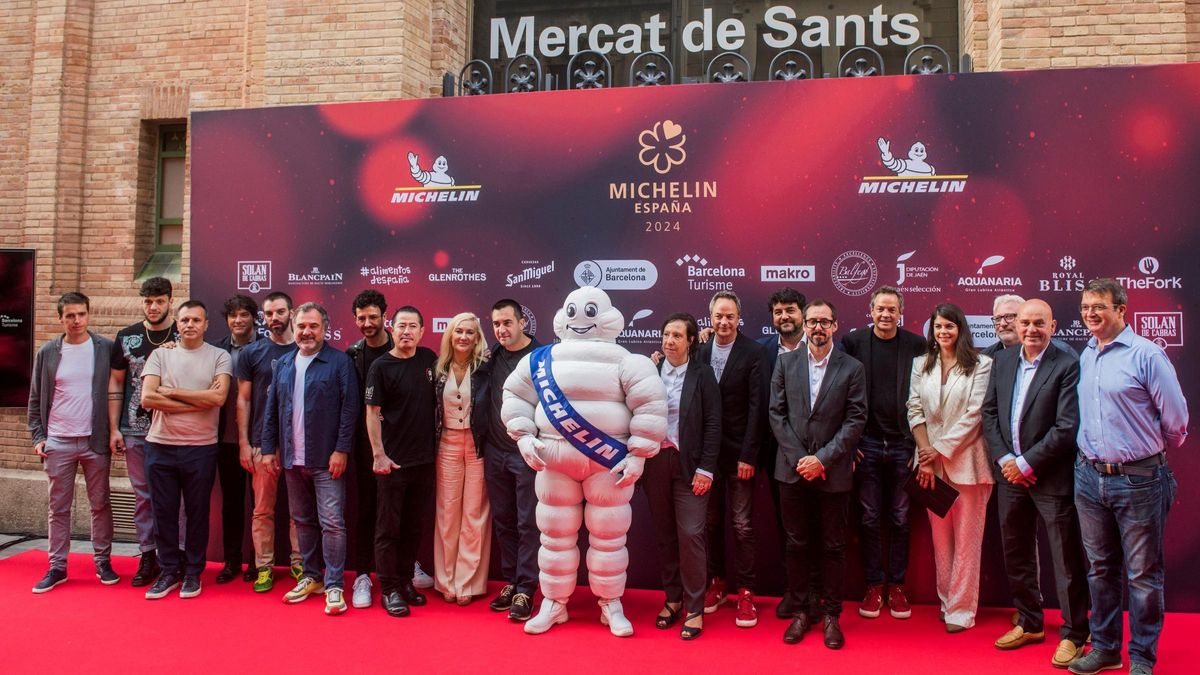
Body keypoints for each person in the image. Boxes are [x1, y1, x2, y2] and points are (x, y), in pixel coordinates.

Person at [501, 286, 667, 637]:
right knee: (554, 536)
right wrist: (524, 434)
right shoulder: (539, 360)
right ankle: (554, 602)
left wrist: (639, 454)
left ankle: (610, 603)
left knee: (609, 538)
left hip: (609, 464)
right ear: (563, 315)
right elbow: (515, 394)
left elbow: (650, 406)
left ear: (606, 317)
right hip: (553, 461)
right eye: (573, 311)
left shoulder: (628, 361)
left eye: (589, 312)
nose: (580, 319)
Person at [1069, 278, 1188, 675]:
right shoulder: (1086, 354)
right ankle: (1105, 649)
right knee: (1099, 569)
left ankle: (1141, 657)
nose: (1090, 313)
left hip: (1140, 479)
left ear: (1122, 309)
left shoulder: (1147, 355)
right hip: (1088, 478)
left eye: (1099, 306)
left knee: (1142, 575)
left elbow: (1176, 420)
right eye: (1085, 306)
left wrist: (1146, 451)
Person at [982, 299, 1089, 668]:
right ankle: (1030, 622)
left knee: (1065, 558)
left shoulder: (1067, 364)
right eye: (1025, 322)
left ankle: (1076, 633)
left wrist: (1027, 462)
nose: (1030, 329)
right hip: (1009, 474)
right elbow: (990, 413)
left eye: (1038, 323)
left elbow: (1066, 426)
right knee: (1017, 551)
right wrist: (1006, 460)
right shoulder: (1002, 360)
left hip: (1050, 476)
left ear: (1053, 325)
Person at [769, 299, 866, 649]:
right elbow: (776, 414)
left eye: (825, 322)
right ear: (805, 325)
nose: (818, 328)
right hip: (792, 472)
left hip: (833, 472)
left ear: (835, 326)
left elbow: (856, 420)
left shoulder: (852, 368)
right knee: (796, 544)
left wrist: (821, 460)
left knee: (833, 546)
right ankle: (801, 611)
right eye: (812, 322)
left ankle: (831, 615)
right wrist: (801, 460)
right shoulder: (784, 363)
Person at [261, 302, 358, 616]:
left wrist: (341, 450)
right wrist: (268, 449)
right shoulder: (285, 363)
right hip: (292, 460)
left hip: (326, 460)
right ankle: (312, 577)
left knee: (332, 524)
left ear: (324, 328)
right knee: (302, 522)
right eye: (301, 325)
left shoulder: (339, 362)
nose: (306, 331)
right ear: (294, 325)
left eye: (313, 326)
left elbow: (349, 411)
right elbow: (272, 411)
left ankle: (333, 585)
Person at [907, 303, 994, 632]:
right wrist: (925, 454)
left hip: (968, 465)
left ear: (961, 329)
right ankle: (946, 602)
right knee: (941, 541)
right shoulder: (921, 364)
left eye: (949, 326)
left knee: (968, 542)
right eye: (938, 327)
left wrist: (937, 451)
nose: (943, 332)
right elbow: (914, 408)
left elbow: (975, 415)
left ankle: (961, 611)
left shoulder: (981, 364)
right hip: (930, 467)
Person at [841, 286, 927, 620]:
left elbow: (926, 397)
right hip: (867, 445)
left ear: (900, 312)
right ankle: (875, 586)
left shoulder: (916, 346)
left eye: (892, 309)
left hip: (904, 445)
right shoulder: (854, 343)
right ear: (871, 310)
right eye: (880, 309)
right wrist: (851, 443)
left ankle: (898, 587)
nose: (886, 315)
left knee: (901, 518)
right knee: (869, 517)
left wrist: (918, 445)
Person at [139, 300, 232, 600]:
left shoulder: (220, 357)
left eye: (196, 320)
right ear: (177, 324)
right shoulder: (159, 356)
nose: (189, 324)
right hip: (160, 447)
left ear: (206, 325)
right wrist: (196, 401)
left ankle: (193, 573)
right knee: (163, 513)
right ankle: (167, 572)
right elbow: (148, 399)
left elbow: (218, 399)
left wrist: (173, 392)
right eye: (184, 320)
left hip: (200, 449)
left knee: (197, 513)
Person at [28, 292, 118, 592]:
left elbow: (117, 391)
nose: (76, 320)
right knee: (58, 508)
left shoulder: (104, 348)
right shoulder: (48, 352)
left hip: (95, 441)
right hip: (59, 442)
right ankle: (57, 567)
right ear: (60, 318)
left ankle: (103, 561)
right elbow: (36, 398)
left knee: (101, 504)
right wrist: (39, 436)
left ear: (88, 315)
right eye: (70, 315)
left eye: (81, 314)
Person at [645, 313, 720, 640]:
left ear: (691, 341)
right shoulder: (649, 371)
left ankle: (694, 607)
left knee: (690, 534)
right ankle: (672, 599)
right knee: (664, 535)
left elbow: (714, 425)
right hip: (656, 463)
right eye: (666, 334)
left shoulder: (703, 375)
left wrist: (706, 468)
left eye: (677, 335)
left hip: (691, 467)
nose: (669, 340)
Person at [698, 290, 766, 627]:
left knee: (742, 525)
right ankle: (717, 583)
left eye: (730, 316)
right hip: (707, 456)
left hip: (741, 455)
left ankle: (747, 592)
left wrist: (749, 454)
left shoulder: (754, 353)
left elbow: (758, 409)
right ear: (710, 318)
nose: (724, 322)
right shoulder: (700, 350)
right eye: (718, 316)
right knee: (709, 523)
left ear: (739, 318)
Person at [365, 306, 438, 618]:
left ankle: (407, 580)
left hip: (424, 462)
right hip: (393, 463)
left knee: (413, 526)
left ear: (422, 331)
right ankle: (390, 587)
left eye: (413, 326)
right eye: (402, 325)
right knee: (388, 529)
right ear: (392, 329)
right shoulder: (381, 367)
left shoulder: (429, 361)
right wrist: (379, 454)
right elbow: (371, 414)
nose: (407, 331)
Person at [108, 276, 179, 586]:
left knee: (176, 495)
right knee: (143, 496)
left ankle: (175, 556)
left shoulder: (183, 333)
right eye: (149, 301)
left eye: (159, 301)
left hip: (175, 429)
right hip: (134, 430)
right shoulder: (127, 337)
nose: (153, 307)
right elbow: (116, 383)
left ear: (170, 301)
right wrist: (114, 428)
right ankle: (148, 553)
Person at [235, 292, 303, 591]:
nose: (273, 318)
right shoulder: (253, 353)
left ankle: (300, 563)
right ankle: (264, 566)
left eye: (279, 312)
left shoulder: (307, 349)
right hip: (263, 446)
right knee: (262, 510)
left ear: (292, 312)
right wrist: (243, 443)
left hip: (299, 444)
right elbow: (243, 401)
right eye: (268, 313)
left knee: (300, 511)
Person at [482, 299, 542, 621]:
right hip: (494, 452)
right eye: (496, 324)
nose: (501, 330)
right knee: (504, 522)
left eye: (507, 323)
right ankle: (511, 581)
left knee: (527, 523)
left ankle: (527, 588)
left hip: (526, 455)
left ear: (522, 323)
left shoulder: (541, 357)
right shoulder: (492, 356)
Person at [755, 287, 809, 620]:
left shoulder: (828, 347)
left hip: (819, 457)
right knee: (788, 529)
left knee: (820, 528)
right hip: (776, 456)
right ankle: (794, 592)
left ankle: (817, 594)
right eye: (778, 312)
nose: (784, 316)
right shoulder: (761, 352)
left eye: (790, 310)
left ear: (803, 313)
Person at [432, 312, 492, 606]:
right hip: (447, 442)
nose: (464, 337)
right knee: (448, 512)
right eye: (459, 332)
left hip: (478, 444)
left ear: (477, 338)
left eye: (470, 332)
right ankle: (445, 580)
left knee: (474, 513)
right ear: (450, 336)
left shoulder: (485, 369)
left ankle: (467, 581)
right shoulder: (439, 369)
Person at [344, 289, 391, 609]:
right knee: (365, 511)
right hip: (362, 448)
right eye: (362, 318)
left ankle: (400, 569)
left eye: (373, 317)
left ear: (385, 316)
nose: (367, 323)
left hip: (400, 445)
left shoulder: (404, 348)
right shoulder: (352, 354)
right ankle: (362, 573)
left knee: (396, 511)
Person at [210, 294, 257, 584]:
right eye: (233, 316)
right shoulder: (214, 351)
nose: (238, 321)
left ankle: (257, 560)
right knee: (232, 503)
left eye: (244, 315)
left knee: (260, 506)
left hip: (259, 441)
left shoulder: (266, 349)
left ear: (254, 318)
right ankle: (231, 561)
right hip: (225, 441)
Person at [983, 294, 1074, 358]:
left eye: (1010, 317)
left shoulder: (1063, 352)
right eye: (998, 318)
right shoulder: (985, 358)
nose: (1003, 324)